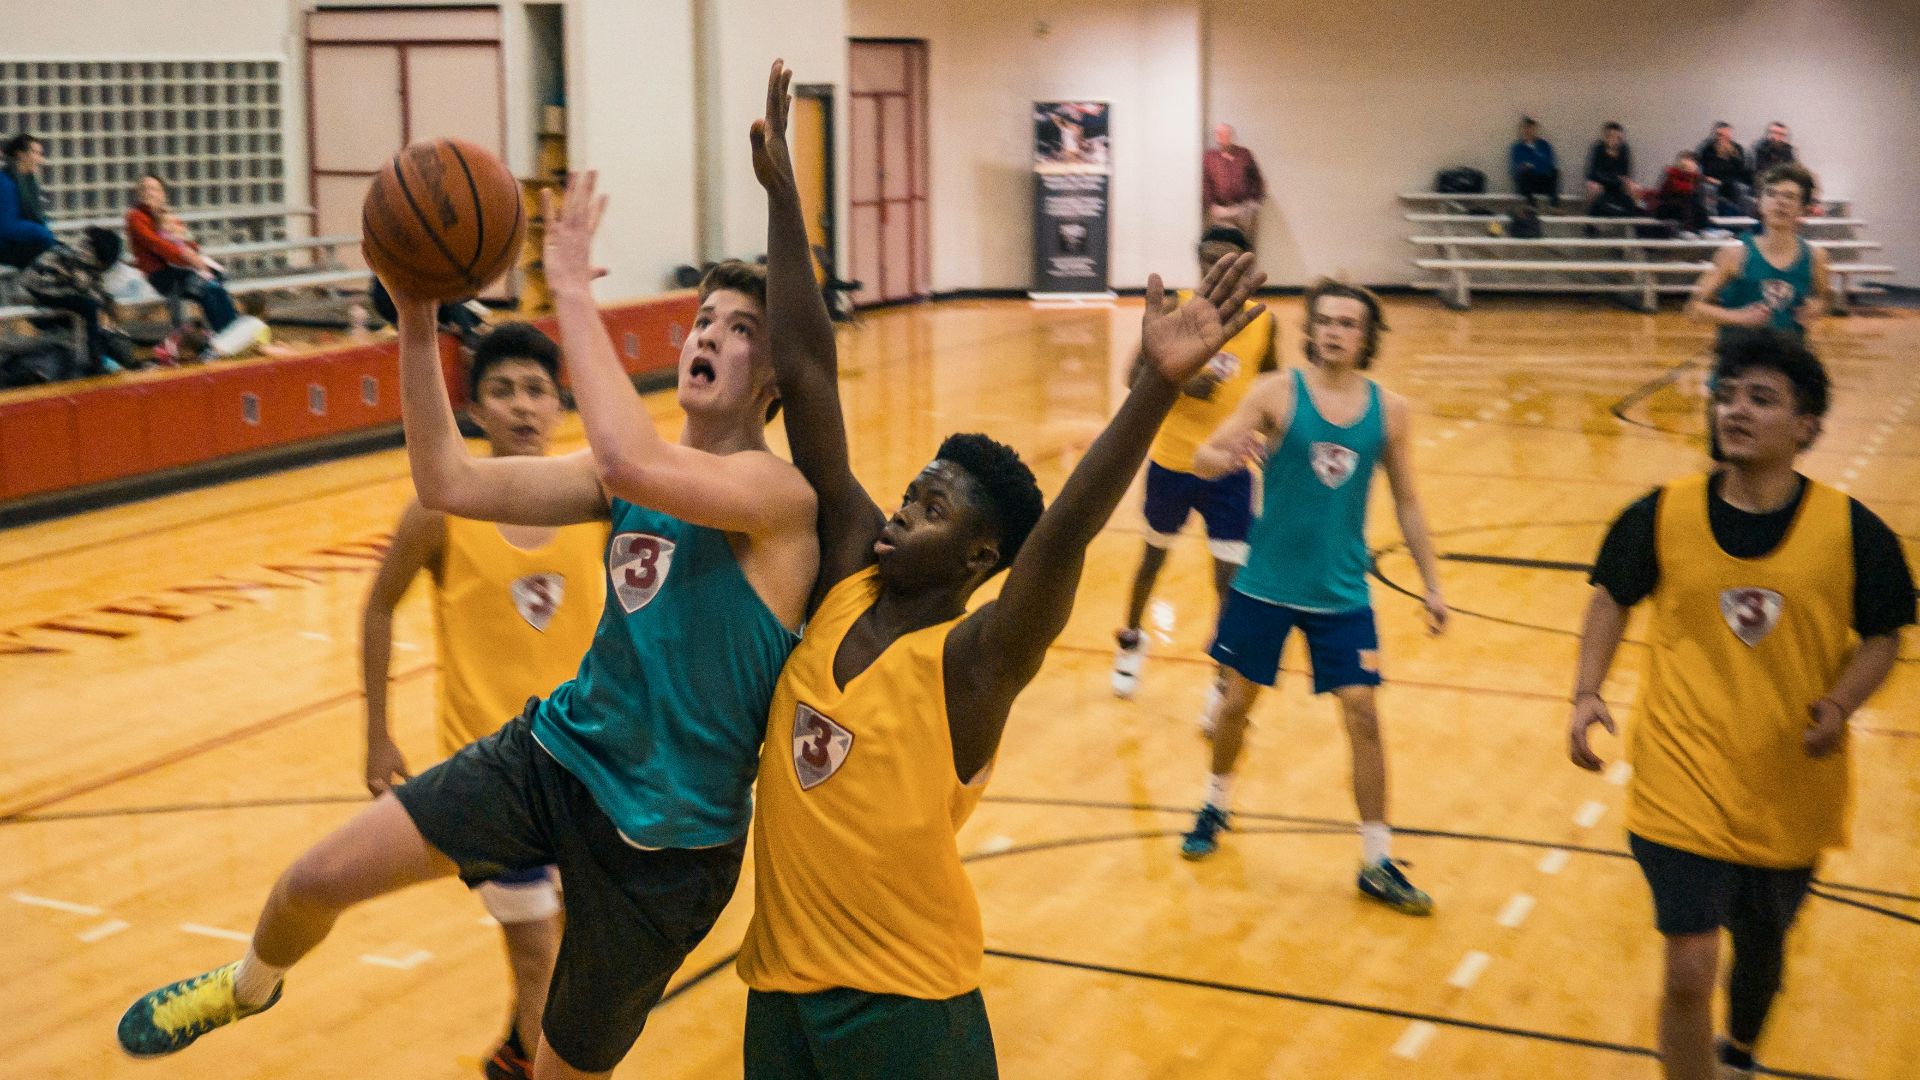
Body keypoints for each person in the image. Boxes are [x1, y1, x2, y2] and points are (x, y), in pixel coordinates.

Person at [116, 168, 820, 1080]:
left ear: (775, 378)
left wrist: (569, 290)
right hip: (556, 759)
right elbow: (445, 481)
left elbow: (627, 457)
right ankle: (248, 988)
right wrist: (416, 320)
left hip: (668, 847)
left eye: (741, 329)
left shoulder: (777, 499)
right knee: (313, 879)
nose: (710, 335)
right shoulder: (624, 478)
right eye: (705, 320)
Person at [740, 60, 1266, 1078]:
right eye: (911, 491)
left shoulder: (972, 665)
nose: (903, 509)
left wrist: (1156, 387)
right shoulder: (847, 575)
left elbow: (1061, 536)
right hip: (778, 992)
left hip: (907, 1007)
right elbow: (804, 369)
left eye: (932, 508)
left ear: (981, 557)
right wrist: (785, 201)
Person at [1569, 331, 1913, 1080]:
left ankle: (1742, 1054)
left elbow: (1885, 635)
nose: (1736, 410)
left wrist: (1842, 703)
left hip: (1788, 781)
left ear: (1807, 427)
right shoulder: (1660, 513)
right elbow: (1610, 597)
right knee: (1690, 968)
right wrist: (1587, 691)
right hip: (1680, 773)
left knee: (1761, 951)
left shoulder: (1854, 531)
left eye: (1762, 398)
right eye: (1727, 395)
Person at [357, 322, 606, 1079]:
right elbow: (379, 606)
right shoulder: (440, 510)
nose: (522, 406)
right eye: (502, 391)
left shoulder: (598, 504)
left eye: (536, 389)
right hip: (489, 776)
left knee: (576, 951)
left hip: (588, 765)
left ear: (560, 404)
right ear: (473, 410)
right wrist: (377, 733)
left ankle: (515, 1055)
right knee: (539, 956)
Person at [1175, 277, 1448, 917]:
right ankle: (1215, 803)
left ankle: (1377, 861)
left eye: (1347, 323)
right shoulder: (1275, 392)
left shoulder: (1391, 411)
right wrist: (1223, 458)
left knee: (1363, 713)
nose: (1333, 332)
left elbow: (1408, 501)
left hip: (1341, 592)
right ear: (1311, 329)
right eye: (1325, 321)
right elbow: (1205, 455)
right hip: (1265, 585)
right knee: (1235, 704)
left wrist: (1433, 584)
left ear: (1367, 336)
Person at [1112, 224, 1277, 700]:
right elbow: (1132, 375)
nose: (1215, 269)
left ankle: (1222, 677)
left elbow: (1271, 385)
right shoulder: (1174, 308)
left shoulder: (1263, 322)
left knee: (1227, 578)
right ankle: (1131, 639)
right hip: (1172, 463)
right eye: (1208, 259)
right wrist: (1182, 383)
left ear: (1245, 265)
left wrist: (1273, 440)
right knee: (1152, 560)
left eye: (1226, 261)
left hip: (1230, 470)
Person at [1686, 163, 1830, 340]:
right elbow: (1694, 308)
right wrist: (1740, 317)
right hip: (1739, 354)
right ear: (1760, 204)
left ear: (1803, 208)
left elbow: (1824, 299)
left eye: (1789, 196)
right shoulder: (1734, 254)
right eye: (1771, 194)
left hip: (1789, 354)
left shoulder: (1816, 257)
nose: (1780, 202)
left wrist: (1816, 307)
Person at [125, 174, 238, 332]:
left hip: (183, 268)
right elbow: (157, 245)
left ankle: (233, 331)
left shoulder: (168, 216)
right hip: (160, 273)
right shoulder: (136, 217)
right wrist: (188, 258)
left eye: (153, 189)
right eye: (143, 189)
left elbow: (191, 243)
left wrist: (191, 251)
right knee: (206, 288)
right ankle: (223, 333)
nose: (148, 192)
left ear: (163, 194)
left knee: (216, 288)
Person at [19, 226, 128, 378]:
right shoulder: (81, 254)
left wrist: (108, 302)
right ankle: (95, 359)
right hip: (41, 287)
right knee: (89, 307)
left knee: (90, 308)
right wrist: (104, 305)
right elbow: (82, 286)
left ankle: (93, 356)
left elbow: (95, 283)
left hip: (52, 285)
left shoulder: (86, 249)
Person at [0, 133, 56, 269]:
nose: (40, 159)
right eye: (35, 153)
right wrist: (42, 232)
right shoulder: (5, 182)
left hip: (17, 242)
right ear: (20, 154)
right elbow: (6, 226)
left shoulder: (29, 183)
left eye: (40, 154)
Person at [1202, 123, 1264, 238]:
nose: (1221, 137)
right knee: (1222, 244)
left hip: (1243, 210)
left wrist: (1253, 203)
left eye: (1225, 134)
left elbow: (1257, 179)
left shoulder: (1244, 154)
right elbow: (1206, 182)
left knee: (1244, 243)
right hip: (1220, 211)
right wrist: (1211, 205)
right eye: (1218, 134)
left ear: (1231, 136)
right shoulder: (1210, 157)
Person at [1584, 122, 1640, 218]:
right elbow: (1592, 173)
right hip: (1601, 182)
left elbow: (1625, 173)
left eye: (1618, 137)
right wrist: (1615, 178)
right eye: (1610, 136)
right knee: (1593, 187)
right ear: (1605, 136)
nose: (1614, 140)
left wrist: (1623, 180)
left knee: (1635, 187)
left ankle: (1632, 217)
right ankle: (1589, 219)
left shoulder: (1624, 149)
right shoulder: (1598, 148)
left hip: (1618, 182)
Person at [1648, 151, 1710, 237]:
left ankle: (1702, 230)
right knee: (1689, 202)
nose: (1692, 164)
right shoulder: (1672, 175)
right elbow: (1677, 189)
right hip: (1666, 207)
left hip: (1683, 208)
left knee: (1698, 206)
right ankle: (1687, 230)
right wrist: (1693, 182)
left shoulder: (1695, 178)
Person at [1696, 122, 1752, 217]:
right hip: (1714, 181)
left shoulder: (1737, 149)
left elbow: (1740, 170)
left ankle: (1742, 219)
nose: (1724, 138)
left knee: (1742, 188)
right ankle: (1712, 219)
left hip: (1732, 182)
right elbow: (1707, 169)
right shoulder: (1708, 149)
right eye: (1720, 135)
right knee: (1710, 189)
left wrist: (1731, 155)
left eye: (1727, 135)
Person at [1509, 117, 1560, 207]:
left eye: (1531, 129)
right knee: (1526, 172)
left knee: (1554, 171)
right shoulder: (1517, 148)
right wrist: (1530, 166)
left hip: (1542, 180)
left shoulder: (1544, 146)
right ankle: (1532, 205)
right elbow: (1515, 168)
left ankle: (1554, 205)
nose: (1528, 131)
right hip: (1526, 183)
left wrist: (1533, 165)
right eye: (1525, 128)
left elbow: (1549, 163)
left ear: (1535, 130)